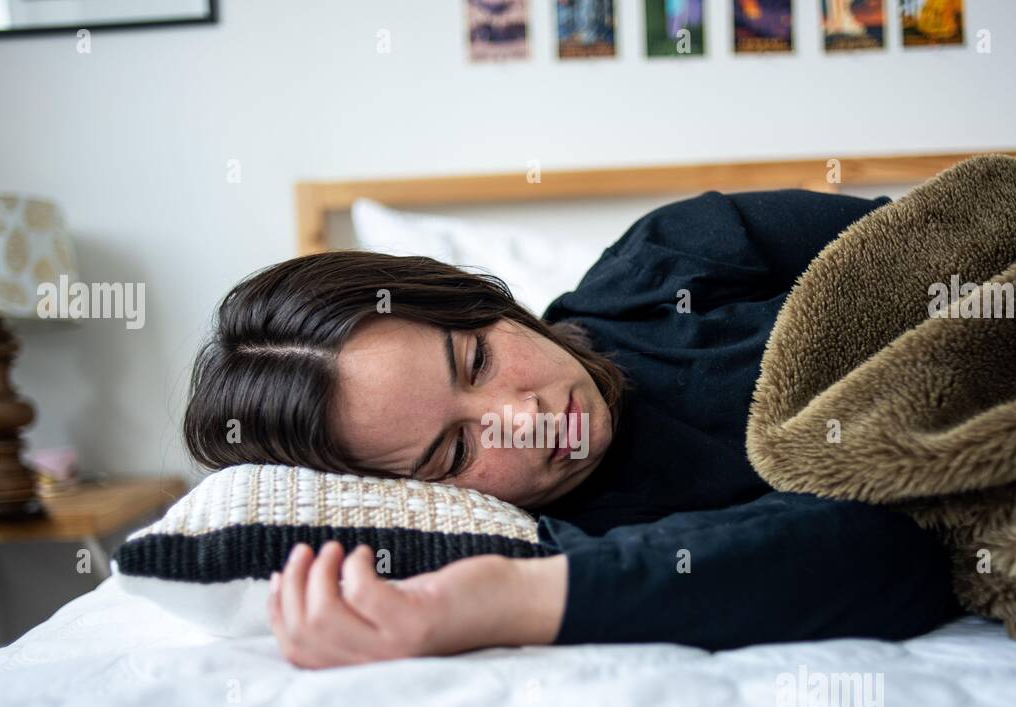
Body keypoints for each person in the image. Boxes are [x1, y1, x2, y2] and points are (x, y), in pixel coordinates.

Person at [183, 188, 963, 668]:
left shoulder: (672, 259)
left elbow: (947, 245)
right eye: (457, 450)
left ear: (478, 299)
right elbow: (894, 551)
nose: (525, 422)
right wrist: (495, 600)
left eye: (477, 360)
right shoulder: (575, 547)